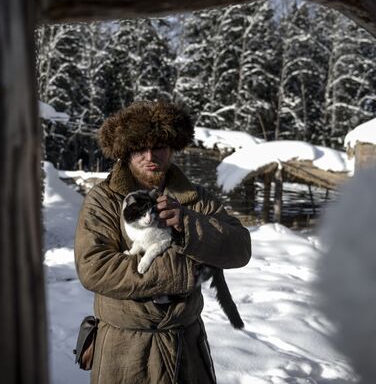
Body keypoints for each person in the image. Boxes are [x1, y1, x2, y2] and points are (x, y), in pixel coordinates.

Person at [74, 100, 251, 383]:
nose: (150, 155)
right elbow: (94, 267)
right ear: (125, 152)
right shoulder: (103, 200)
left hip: (187, 349)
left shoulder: (196, 199)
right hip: (125, 350)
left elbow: (240, 248)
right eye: (139, 148)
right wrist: (182, 271)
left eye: (158, 146)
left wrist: (188, 225)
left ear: (172, 148)